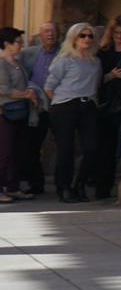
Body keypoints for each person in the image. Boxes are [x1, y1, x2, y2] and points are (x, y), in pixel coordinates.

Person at [44, 23, 104, 203]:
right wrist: (61, 101)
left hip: (88, 105)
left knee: (91, 147)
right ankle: (64, 187)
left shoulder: (95, 60)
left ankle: (80, 184)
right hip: (65, 106)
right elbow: (49, 86)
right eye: (82, 35)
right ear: (74, 38)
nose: (87, 39)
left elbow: (96, 82)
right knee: (66, 149)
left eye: (90, 36)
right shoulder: (65, 59)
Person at [16, 21, 57, 197]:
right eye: (46, 31)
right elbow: (20, 72)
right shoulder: (29, 54)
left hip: (58, 105)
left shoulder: (64, 54)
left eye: (53, 32)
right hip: (38, 108)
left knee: (64, 145)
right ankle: (35, 183)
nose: (50, 35)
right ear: (40, 35)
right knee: (31, 146)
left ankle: (64, 183)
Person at [95, 17, 121, 198]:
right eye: (116, 33)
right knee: (106, 148)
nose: (120, 37)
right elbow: (95, 80)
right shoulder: (104, 54)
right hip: (108, 106)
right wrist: (111, 75)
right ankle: (103, 188)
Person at [0, 28, 27, 202]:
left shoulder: (17, 62)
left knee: (16, 151)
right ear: (7, 44)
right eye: (18, 41)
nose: (21, 45)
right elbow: (3, 89)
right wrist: (26, 94)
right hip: (4, 112)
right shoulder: (1, 63)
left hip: (19, 111)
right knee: (4, 152)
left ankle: (12, 186)